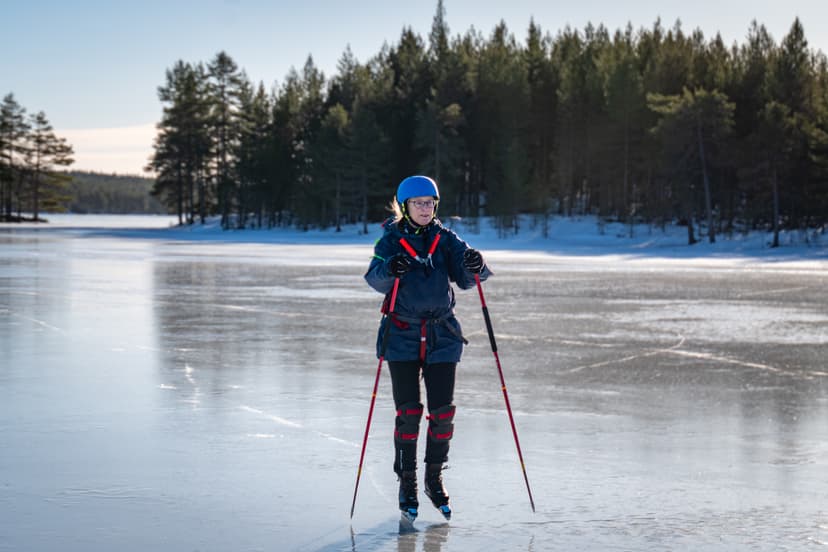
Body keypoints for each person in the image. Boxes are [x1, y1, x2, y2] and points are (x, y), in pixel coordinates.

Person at [364, 175, 491, 522]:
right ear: (404, 206)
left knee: (443, 413)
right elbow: (374, 277)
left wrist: (475, 265)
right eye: (418, 203)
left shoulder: (445, 239)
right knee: (408, 413)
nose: (425, 208)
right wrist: (390, 269)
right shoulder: (390, 240)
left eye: (429, 203)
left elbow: (467, 277)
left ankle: (434, 478)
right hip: (401, 335)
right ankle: (407, 481)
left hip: (441, 336)